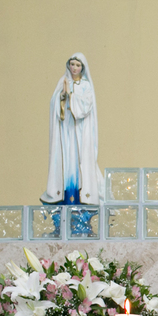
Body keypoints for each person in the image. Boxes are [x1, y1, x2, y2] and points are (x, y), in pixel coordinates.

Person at [42, 52, 103, 205]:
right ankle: (65, 196)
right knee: (67, 163)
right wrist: (61, 97)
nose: (74, 68)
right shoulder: (63, 82)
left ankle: (81, 196)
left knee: (79, 163)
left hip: (80, 133)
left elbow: (85, 107)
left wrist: (71, 95)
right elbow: (55, 105)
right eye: (72, 64)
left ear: (82, 68)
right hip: (66, 131)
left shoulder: (85, 86)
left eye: (78, 65)